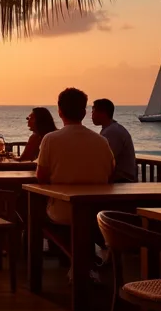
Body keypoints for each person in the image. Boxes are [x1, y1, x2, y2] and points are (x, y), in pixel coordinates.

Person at [36, 88, 114, 225]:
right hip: (96, 213)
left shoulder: (50, 139)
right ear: (84, 113)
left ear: (60, 111)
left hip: (62, 212)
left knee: (31, 209)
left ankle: (38, 245)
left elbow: (41, 176)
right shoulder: (101, 141)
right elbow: (110, 172)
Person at [91, 98, 137, 183]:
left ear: (103, 113)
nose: (91, 116)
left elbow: (106, 160)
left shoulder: (112, 132)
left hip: (122, 181)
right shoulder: (112, 129)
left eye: (93, 112)